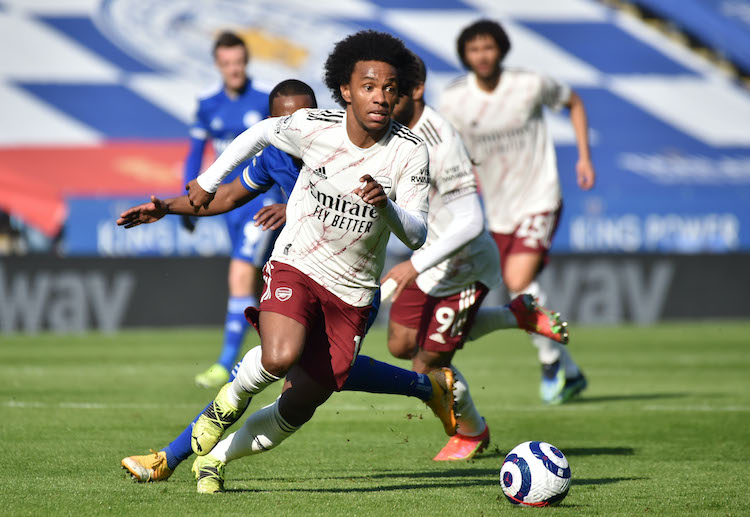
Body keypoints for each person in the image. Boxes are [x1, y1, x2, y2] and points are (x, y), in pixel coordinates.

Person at [122, 31, 434, 493]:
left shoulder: (403, 150)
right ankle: (175, 451)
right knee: (280, 354)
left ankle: (215, 459)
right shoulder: (282, 152)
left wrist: (384, 205)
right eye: (370, 86)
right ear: (347, 92)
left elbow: (417, 233)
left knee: (310, 393)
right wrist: (172, 204)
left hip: (352, 290)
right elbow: (229, 193)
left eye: (388, 88)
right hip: (298, 265)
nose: (381, 96)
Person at [382, 55, 568, 461]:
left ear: (417, 90)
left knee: (426, 366)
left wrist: (413, 264)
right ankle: (515, 315)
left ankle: (471, 432)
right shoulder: (388, 130)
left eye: (393, 91)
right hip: (429, 258)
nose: (384, 99)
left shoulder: (439, 140)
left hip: (463, 264)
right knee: (400, 344)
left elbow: (470, 221)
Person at [438, 19, 595, 405]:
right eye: (474, 49)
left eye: (488, 47)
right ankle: (571, 371)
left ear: (501, 50)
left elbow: (574, 102)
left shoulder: (529, 84)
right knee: (518, 288)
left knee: (516, 277)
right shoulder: (454, 100)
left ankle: (550, 363)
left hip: (540, 196)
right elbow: (447, 149)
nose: (482, 55)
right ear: (465, 55)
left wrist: (584, 158)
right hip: (497, 207)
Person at [185, 31, 286, 388]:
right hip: (228, 205)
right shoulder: (207, 104)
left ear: (246, 62)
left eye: (239, 62)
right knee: (259, 286)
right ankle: (282, 354)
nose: (234, 69)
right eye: (227, 63)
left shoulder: (265, 100)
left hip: (262, 203)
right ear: (218, 65)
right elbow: (195, 155)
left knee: (240, 274)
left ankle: (225, 364)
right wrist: (187, 201)